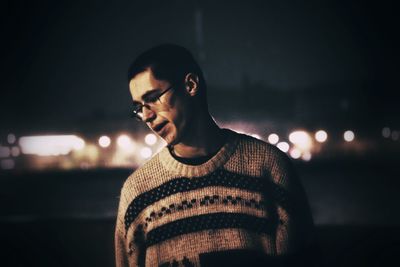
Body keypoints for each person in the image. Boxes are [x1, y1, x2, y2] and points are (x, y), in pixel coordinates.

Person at [115, 44, 317, 267]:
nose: (146, 116)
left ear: (190, 85)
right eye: (139, 107)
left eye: (153, 98)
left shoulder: (269, 168)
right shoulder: (137, 193)